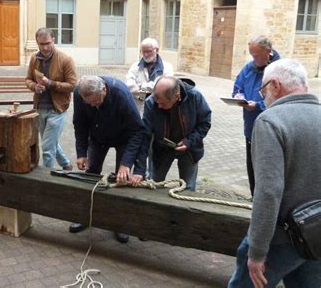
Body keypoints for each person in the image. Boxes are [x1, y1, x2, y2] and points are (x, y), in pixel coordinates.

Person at [228, 59, 321, 288]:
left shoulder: (271, 121)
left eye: (263, 89)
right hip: (317, 233)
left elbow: (268, 192)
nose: (263, 96)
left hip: (279, 240)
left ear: (275, 85)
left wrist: (257, 251)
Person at [71, 75, 145, 243]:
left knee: (122, 180)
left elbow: (138, 131)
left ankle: (119, 223)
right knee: (91, 175)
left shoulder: (121, 94)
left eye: (96, 102)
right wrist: (81, 152)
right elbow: (80, 123)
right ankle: (86, 216)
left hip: (123, 137)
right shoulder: (79, 93)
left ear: (104, 90)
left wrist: (126, 164)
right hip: (98, 137)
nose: (92, 105)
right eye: (88, 103)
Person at [136, 76, 211, 190]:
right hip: (161, 150)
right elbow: (144, 136)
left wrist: (189, 141)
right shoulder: (151, 102)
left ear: (177, 97)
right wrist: (139, 170)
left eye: (163, 104)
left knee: (187, 188)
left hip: (189, 150)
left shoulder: (195, 96)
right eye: (157, 102)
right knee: (153, 186)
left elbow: (204, 123)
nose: (159, 106)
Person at [232, 36, 280, 196]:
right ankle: (254, 200)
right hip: (251, 128)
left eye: (257, 55)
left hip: (271, 130)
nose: (254, 59)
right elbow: (237, 87)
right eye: (252, 55)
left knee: (267, 170)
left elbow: (281, 98)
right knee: (252, 167)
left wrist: (258, 105)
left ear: (268, 51)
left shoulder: (280, 69)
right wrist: (238, 96)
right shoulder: (249, 68)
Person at [25, 28, 77, 171]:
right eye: (41, 44)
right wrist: (35, 86)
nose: (45, 47)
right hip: (40, 107)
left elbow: (73, 85)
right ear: (37, 43)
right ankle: (66, 165)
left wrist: (51, 83)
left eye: (48, 43)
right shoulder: (34, 58)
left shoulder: (65, 59)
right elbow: (28, 79)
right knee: (50, 142)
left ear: (53, 40)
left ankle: (45, 180)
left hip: (57, 109)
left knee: (47, 149)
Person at [126, 37, 174, 109]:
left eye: (149, 51)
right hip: (139, 107)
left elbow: (165, 88)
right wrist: (152, 88)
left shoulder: (167, 67)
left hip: (160, 107)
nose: (145, 55)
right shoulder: (135, 66)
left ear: (157, 50)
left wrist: (141, 86)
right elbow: (128, 85)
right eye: (143, 51)